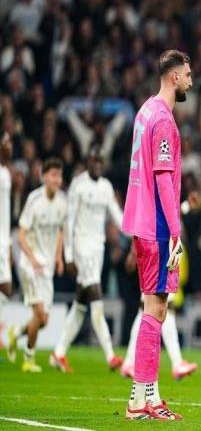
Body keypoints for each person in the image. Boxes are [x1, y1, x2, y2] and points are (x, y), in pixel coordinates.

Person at [121, 49, 192, 421]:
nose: (191, 80)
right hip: (158, 224)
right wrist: (176, 232)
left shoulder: (144, 111)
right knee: (157, 309)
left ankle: (143, 398)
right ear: (174, 76)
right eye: (188, 74)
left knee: (153, 309)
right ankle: (143, 401)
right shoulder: (163, 119)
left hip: (141, 219)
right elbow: (163, 177)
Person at [50, 144, 124, 373]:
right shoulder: (78, 185)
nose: (97, 164)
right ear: (87, 161)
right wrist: (69, 255)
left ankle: (58, 353)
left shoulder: (106, 187)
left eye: (101, 161)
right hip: (81, 246)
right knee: (96, 294)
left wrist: (137, 232)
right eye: (94, 160)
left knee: (81, 304)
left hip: (98, 248)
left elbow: (117, 217)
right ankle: (110, 355)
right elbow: (69, 220)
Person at [7, 157, 66, 373]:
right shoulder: (34, 200)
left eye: (59, 176)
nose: (57, 180)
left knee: (43, 321)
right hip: (30, 266)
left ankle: (16, 333)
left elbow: (60, 231)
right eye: (53, 175)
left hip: (47, 267)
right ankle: (28, 359)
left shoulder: (62, 202)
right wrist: (32, 259)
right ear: (44, 177)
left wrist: (59, 257)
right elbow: (21, 235)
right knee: (39, 314)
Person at [120, 244, 198, 381]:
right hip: (156, 255)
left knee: (145, 311)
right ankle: (176, 363)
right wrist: (133, 252)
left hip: (159, 255)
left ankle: (129, 362)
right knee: (161, 306)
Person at [0, 133, 13, 322]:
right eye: (6, 142)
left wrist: (8, 243)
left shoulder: (6, 173)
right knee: (5, 287)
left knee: (5, 288)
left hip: (3, 240)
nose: (10, 145)